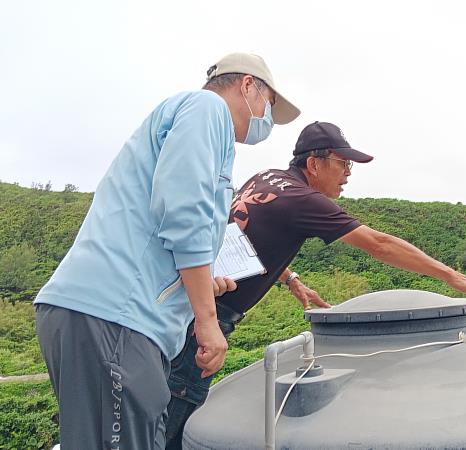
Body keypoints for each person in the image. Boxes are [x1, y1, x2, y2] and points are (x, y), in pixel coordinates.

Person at [165, 121, 466, 448]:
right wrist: (452, 276)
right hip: (205, 319)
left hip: (184, 304)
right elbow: (378, 244)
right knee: (174, 419)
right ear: (314, 163)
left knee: (165, 410)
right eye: (343, 163)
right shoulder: (303, 199)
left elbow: (243, 234)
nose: (349, 173)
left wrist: (290, 277)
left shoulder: (266, 179)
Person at [33, 52, 300, 450]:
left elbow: (160, 226)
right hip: (117, 318)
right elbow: (182, 209)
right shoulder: (207, 109)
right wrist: (207, 322)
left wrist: (200, 282)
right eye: (269, 105)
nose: (266, 120)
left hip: (106, 317)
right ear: (247, 86)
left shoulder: (197, 123)